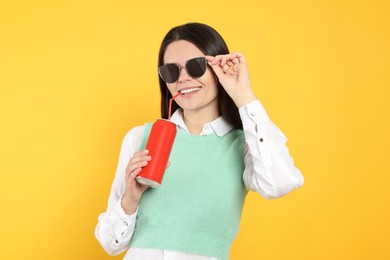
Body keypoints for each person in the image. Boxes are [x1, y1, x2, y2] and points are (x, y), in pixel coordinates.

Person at [95, 22, 304, 260]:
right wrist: (130, 199)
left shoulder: (244, 144)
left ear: (219, 68)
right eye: (171, 71)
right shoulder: (140, 138)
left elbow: (281, 183)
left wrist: (243, 94)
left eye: (196, 66)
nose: (182, 79)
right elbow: (109, 243)